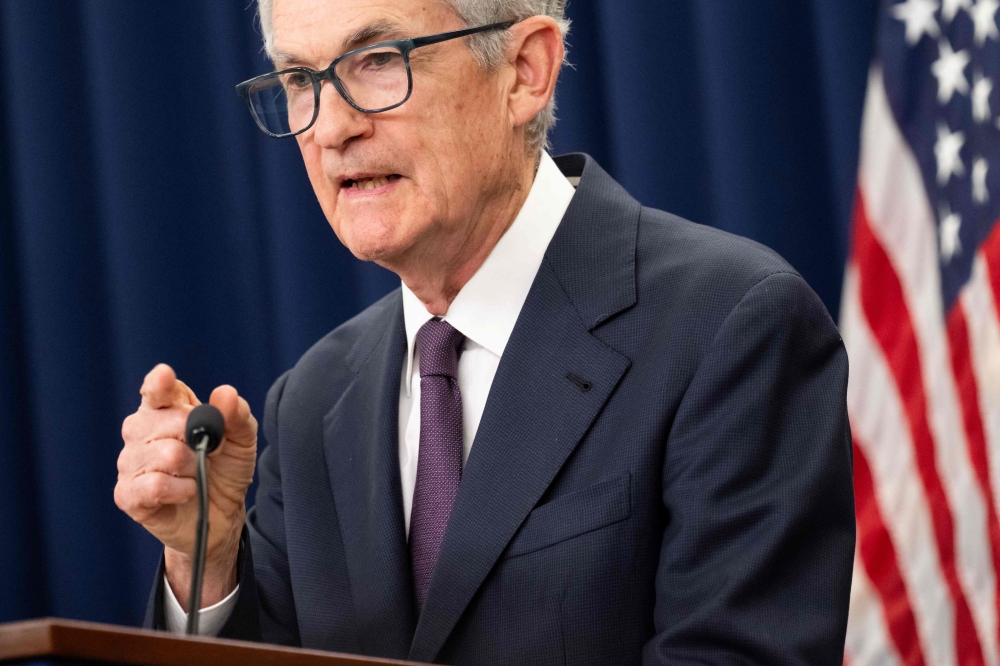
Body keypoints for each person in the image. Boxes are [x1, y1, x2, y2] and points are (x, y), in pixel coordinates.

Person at [114, 0, 855, 663]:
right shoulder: (310, 400)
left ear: (525, 71)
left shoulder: (729, 324)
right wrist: (208, 563)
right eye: (301, 81)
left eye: (377, 61)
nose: (333, 127)